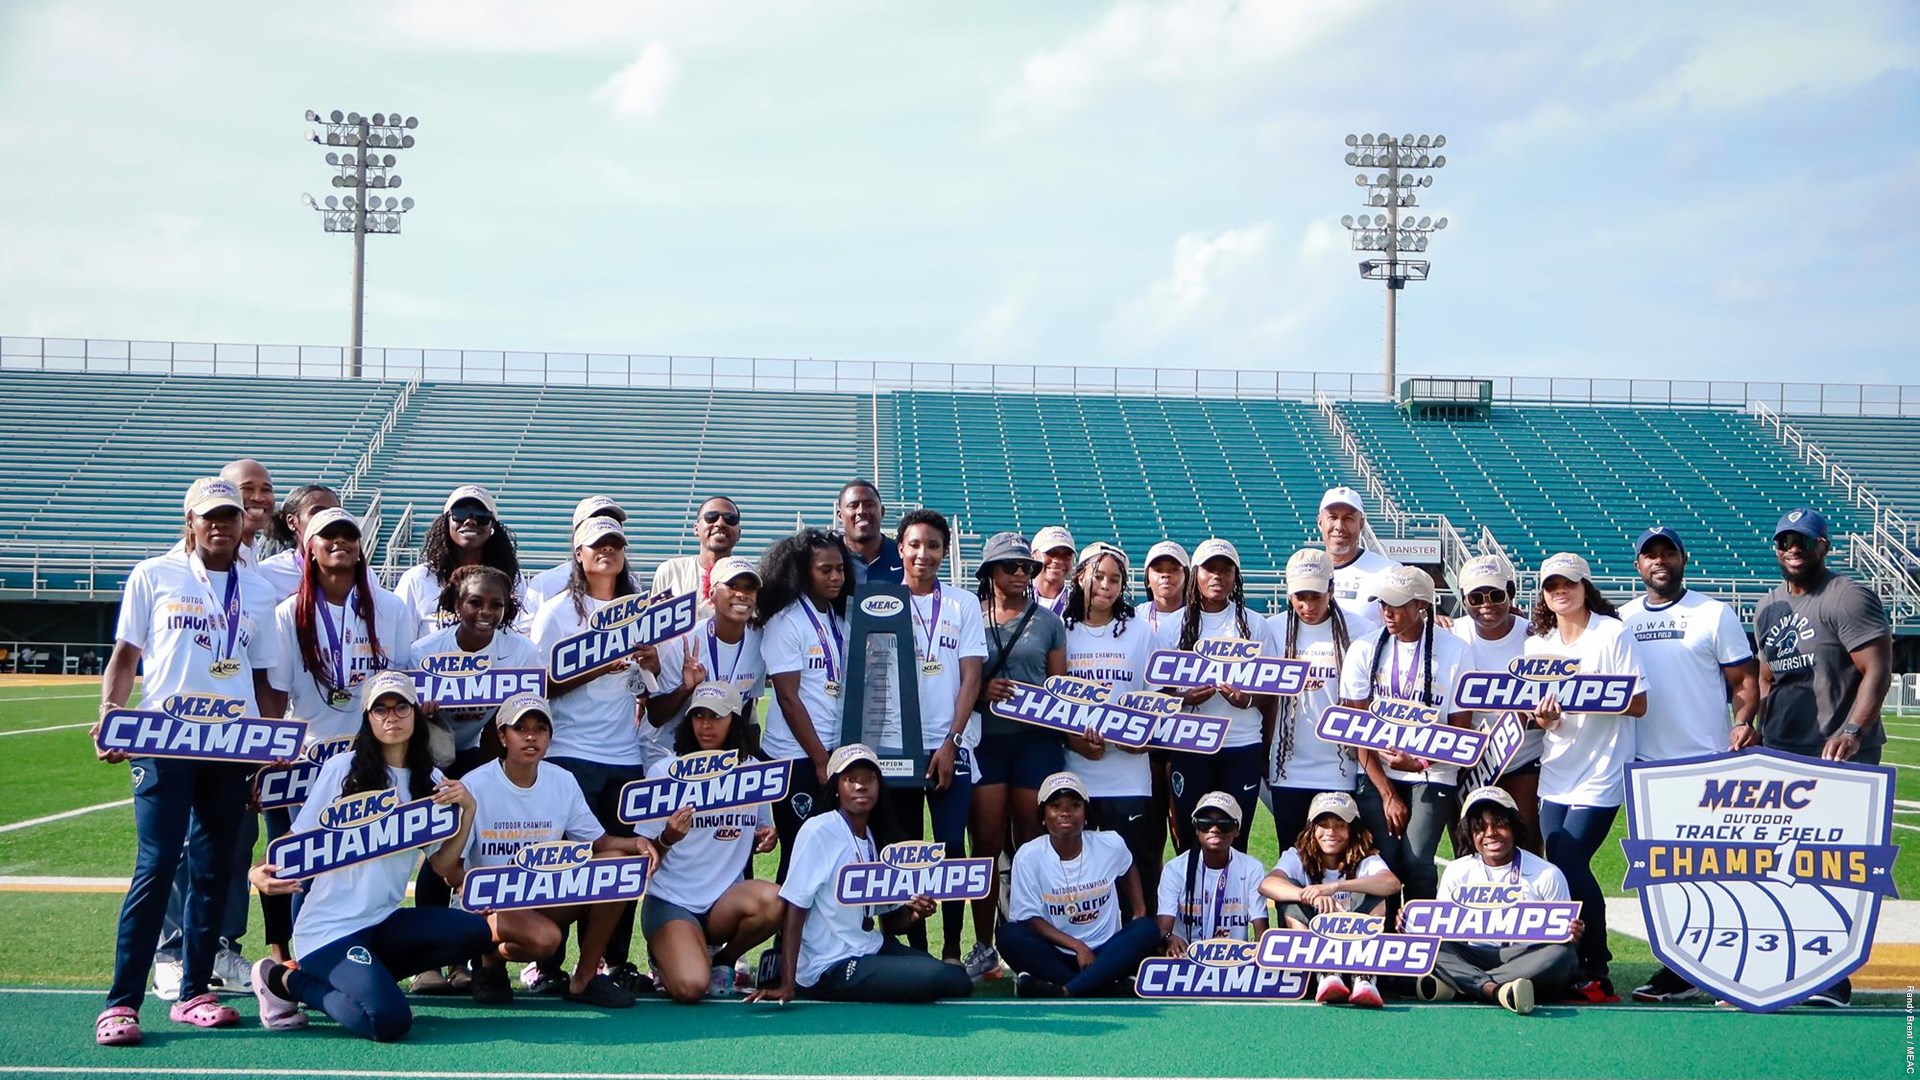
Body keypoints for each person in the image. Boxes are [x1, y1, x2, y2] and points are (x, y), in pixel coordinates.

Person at [93, 479, 284, 1047]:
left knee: (213, 867)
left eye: (229, 516)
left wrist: (269, 750)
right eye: (210, 518)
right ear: (191, 522)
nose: (221, 526)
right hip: (165, 742)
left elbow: (264, 681)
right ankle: (121, 1002)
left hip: (229, 749)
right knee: (155, 865)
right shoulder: (154, 574)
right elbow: (127, 656)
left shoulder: (255, 588)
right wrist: (111, 714)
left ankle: (195, 991)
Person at [246, 670, 492, 1041]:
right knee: (389, 1021)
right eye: (380, 709)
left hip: (381, 922)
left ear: (416, 714)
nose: (391, 717)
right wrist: (257, 873)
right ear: (368, 718)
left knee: (475, 931)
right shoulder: (342, 770)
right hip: (330, 931)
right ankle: (283, 979)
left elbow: (443, 867)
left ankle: (362, 978)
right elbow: (294, 841)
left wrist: (468, 812)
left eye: (400, 707)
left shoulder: (432, 782)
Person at [1752, 507, 1893, 1008]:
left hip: (1836, 757)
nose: (1793, 548)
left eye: (1804, 541)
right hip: (1781, 752)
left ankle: (1833, 977)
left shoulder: (1846, 596)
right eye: (1785, 541)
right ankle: (1783, 964)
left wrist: (1854, 729)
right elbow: (1768, 678)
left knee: (1834, 867)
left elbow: (1877, 668)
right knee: (1778, 868)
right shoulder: (1768, 605)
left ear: (1824, 546)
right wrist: (1751, 727)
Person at [261, 508, 412, 965]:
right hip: (309, 756)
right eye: (328, 536)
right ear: (309, 546)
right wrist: (272, 752)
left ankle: (355, 950)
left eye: (349, 535)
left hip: (373, 757)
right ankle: (289, 958)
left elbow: (401, 682)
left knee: (368, 856)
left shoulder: (389, 607)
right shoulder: (289, 612)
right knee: (301, 860)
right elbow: (279, 690)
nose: (339, 543)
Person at [444, 692, 656, 1008]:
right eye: (520, 728)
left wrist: (636, 843)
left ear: (550, 737)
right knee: (546, 942)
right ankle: (489, 958)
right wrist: (468, 889)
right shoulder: (475, 784)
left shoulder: (562, 781)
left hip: (543, 894)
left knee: (617, 866)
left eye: (540, 729)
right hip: (491, 904)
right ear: (502, 735)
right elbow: (450, 870)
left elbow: (598, 843)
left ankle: (584, 978)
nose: (531, 736)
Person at [1620, 526, 1759, 1004]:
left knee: (1717, 873)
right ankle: (1680, 967)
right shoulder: (1623, 618)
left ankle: (1729, 966)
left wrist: (1743, 721)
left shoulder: (1714, 613)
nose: (1659, 561)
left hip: (1706, 763)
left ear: (1684, 558)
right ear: (1638, 565)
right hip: (1644, 768)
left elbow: (1744, 682)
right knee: (1664, 877)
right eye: (1649, 555)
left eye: (1668, 553)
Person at [152, 459, 276, 998]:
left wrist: (270, 739)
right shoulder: (169, 571)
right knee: (178, 848)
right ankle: (171, 951)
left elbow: (264, 670)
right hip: (179, 733)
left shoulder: (262, 572)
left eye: (264, 490)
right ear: (194, 520)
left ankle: (219, 945)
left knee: (230, 844)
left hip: (236, 735)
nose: (257, 499)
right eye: (245, 490)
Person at [530, 515, 660, 991]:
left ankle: (612, 961)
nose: (606, 551)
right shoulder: (557, 611)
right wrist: (599, 662)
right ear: (578, 555)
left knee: (620, 865)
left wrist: (650, 662)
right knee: (568, 862)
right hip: (569, 751)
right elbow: (540, 685)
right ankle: (548, 965)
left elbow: (653, 687)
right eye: (595, 545)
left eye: (614, 544)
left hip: (624, 753)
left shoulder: (640, 610)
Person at [406, 565, 544, 991]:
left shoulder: (520, 651)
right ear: (455, 604)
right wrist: (423, 708)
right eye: (475, 602)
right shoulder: (424, 649)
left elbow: (524, 714)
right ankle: (427, 962)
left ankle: (465, 960)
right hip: (435, 754)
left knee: (477, 853)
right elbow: (404, 714)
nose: (486, 612)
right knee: (438, 852)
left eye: (497, 605)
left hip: (488, 752)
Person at [747, 744, 973, 1004]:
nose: (860, 786)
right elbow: (795, 908)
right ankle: (807, 984)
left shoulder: (875, 836)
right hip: (829, 963)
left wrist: (914, 913)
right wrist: (789, 981)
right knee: (932, 976)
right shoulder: (820, 830)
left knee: (957, 980)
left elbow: (887, 920)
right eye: (850, 779)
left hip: (867, 946)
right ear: (835, 787)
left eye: (869, 779)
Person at [1526, 552, 1647, 1003]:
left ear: (1585, 587)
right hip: (1556, 769)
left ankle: (1597, 965)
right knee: (1558, 867)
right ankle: (1566, 960)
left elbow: (1638, 703)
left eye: (1569, 583)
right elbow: (1535, 716)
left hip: (1603, 769)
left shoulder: (1612, 633)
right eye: (1551, 584)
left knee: (1567, 856)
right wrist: (1543, 717)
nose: (1560, 590)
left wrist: (1588, 696)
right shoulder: (1537, 645)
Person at [637, 682, 783, 1003]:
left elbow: (764, 829)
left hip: (724, 903)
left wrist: (767, 837)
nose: (706, 724)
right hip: (672, 900)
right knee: (691, 988)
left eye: (716, 716)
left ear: (735, 720)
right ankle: (665, 954)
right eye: (699, 715)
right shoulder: (665, 772)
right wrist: (667, 838)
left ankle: (725, 959)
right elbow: (643, 857)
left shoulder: (753, 773)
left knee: (777, 901)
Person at [967, 531, 1069, 979]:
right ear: (989, 572)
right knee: (987, 844)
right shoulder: (970, 616)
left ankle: (1027, 946)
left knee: (1029, 846)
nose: (1020, 574)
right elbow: (953, 682)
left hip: (1036, 743)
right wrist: (979, 694)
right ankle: (985, 945)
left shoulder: (1048, 621)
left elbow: (1059, 690)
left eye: (1026, 566)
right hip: (986, 741)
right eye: (1010, 566)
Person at [1343, 565, 1472, 909]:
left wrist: (1420, 762)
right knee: (1384, 863)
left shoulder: (1455, 650)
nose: (1388, 611)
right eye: (1383, 603)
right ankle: (1385, 947)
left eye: (1398, 604)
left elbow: (1461, 731)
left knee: (1416, 860)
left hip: (1434, 771)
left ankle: (1421, 940)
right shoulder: (1363, 649)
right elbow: (1359, 731)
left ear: (1422, 606)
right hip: (1376, 773)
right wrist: (1387, 793)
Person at [893, 509, 986, 963]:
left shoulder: (962, 603)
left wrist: (952, 740)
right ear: (900, 550)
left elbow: (971, 677)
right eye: (914, 545)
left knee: (951, 848)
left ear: (944, 552)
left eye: (932, 546)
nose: (922, 554)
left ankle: (952, 948)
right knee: (906, 851)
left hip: (952, 744)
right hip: (899, 747)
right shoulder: (883, 602)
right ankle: (917, 948)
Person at [1417, 786, 1581, 1015]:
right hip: (1473, 953)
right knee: (1428, 948)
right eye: (1479, 828)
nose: (1490, 833)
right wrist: (1411, 924)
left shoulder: (1547, 873)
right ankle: (1496, 991)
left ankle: (1464, 986)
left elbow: (1564, 940)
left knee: (1562, 955)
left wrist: (1572, 934)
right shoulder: (1457, 871)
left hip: (1523, 955)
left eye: (1499, 824)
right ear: (1469, 834)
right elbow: (1442, 932)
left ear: (1514, 826)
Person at [999, 771, 1162, 998]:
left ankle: (1065, 990)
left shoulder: (1110, 843)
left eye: (1075, 805)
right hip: (1058, 952)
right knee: (1009, 935)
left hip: (1106, 949)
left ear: (1086, 815)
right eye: (1055, 806)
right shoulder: (1028, 855)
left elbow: (1127, 866)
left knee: (1146, 929)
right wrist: (1077, 946)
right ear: (1043, 817)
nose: (1065, 813)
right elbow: (1029, 918)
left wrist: (1139, 910)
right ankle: (1104, 987)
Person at [754, 529, 856, 879]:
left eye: (840, 569)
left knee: (830, 853)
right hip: (796, 757)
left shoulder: (840, 618)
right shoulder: (786, 621)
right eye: (825, 569)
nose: (836, 577)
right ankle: (788, 936)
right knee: (799, 853)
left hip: (832, 751)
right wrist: (819, 759)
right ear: (802, 571)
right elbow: (787, 697)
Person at [1063, 542, 1162, 897]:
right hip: (1077, 773)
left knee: (1135, 872)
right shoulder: (1062, 629)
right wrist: (1072, 740)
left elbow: (1155, 698)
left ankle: (1138, 947)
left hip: (1128, 777)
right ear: (1079, 578)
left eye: (1115, 579)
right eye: (1098, 576)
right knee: (1083, 878)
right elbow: (1050, 701)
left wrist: (1141, 737)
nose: (1106, 585)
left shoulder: (1139, 631)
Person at [1165, 538, 1274, 852]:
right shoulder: (1175, 625)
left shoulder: (1254, 624)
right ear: (1195, 573)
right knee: (1189, 840)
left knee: (1235, 839)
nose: (1218, 576)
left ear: (1235, 577)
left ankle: (1233, 902)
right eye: (1210, 568)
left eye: (1226, 569)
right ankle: (1190, 901)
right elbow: (1157, 690)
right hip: (1190, 741)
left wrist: (1248, 700)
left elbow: (1272, 690)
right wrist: (1185, 698)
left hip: (1241, 744)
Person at [1267, 549, 1375, 844]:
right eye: (1300, 596)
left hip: (1339, 769)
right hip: (1287, 769)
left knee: (1339, 858)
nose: (1307, 605)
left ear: (1331, 588)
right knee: (1292, 855)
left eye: (1315, 595)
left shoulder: (1362, 630)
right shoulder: (1272, 629)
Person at [1260, 791, 1400, 1007]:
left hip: (1355, 944)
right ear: (1312, 829)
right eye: (1323, 824)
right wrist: (1309, 896)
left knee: (1375, 890)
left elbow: (1391, 883)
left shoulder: (1366, 857)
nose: (1331, 832)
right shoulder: (1296, 855)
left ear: (1352, 829)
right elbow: (1267, 884)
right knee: (1288, 897)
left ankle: (1364, 976)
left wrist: (1334, 887)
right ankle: (1325, 971)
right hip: (1314, 946)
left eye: (1340, 825)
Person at [1448, 553, 1543, 849]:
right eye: (1475, 598)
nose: (1486, 604)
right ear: (1464, 600)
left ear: (1511, 594)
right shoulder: (1451, 633)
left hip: (1522, 755)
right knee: (1468, 845)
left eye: (1495, 595)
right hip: (1469, 761)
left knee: (1525, 841)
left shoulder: (1535, 636)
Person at [646, 556, 766, 772]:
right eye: (732, 585)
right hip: (670, 757)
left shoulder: (760, 642)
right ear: (711, 594)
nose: (742, 594)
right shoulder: (683, 642)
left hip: (722, 760)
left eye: (750, 588)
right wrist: (686, 689)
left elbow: (745, 706)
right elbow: (655, 717)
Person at [394, 485, 524, 640]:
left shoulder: (511, 578)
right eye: (460, 514)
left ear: (492, 526)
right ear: (446, 522)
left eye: (481, 515)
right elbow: (401, 640)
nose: (470, 521)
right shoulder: (416, 579)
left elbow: (520, 633)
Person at [1155, 792, 1269, 953]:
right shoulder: (1175, 869)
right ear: (1196, 829)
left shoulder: (1252, 868)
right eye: (1205, 823)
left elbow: (1261, 928)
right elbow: (1163, 927)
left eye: (1224, 823)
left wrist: (1256, 955)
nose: (1214, 829)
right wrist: (1169, 938)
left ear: (1237, 830)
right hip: (1186, 956)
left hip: (1233, 959)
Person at [524, 497, 626, 614]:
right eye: (593, 521)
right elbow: (525, 631)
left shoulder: (631, 586)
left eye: (613, 521)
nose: (605, 524)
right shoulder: (545, 583)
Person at [1318, 487, 1400, 622]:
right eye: (1332, 517)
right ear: (1320, 522)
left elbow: (1408, 621)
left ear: (1361, 524)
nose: (1339, 526)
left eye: (1348, 518)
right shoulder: (1306, 571)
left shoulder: (1389, 572)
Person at [652, 495, 742, 616]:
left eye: (730, 519)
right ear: (696, 529)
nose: (720, 523)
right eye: (711, 517)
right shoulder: (671, 571)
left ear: (739, 533)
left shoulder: (749, 580)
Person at [256, 485, 341, 600]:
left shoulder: (360, 574)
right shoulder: (267, 573)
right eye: (317, 512)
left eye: (335, 512)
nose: (328, 519)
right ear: (292, 522)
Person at [834, 480, 903, 585]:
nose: (861, 511)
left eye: (869, 505)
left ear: (882, 512)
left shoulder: (903, 555)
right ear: (840, 515)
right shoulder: (827, 556)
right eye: (853, 505)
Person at [1030, 526, 1076, 617]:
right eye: (1050, 553)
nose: (1058, 560)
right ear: (1033, 556)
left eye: (1066, 555)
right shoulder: (1017, 598)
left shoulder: (1078, 604)